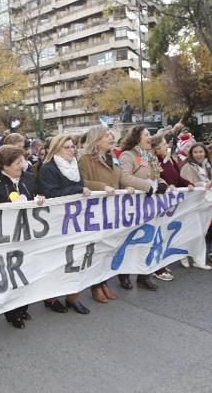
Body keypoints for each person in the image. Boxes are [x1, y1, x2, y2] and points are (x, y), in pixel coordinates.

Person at [0, 145, 45, 328]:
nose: (22, 165)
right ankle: (11, 312)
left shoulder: (30, 179)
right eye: (18, 162)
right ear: (5, 165)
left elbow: (39, 194)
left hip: (28, 235)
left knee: (27, 271)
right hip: (5, 239)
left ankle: (23, 306)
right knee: (11, 274)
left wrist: (40, 197)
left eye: (23, 161)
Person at [77, 126, 135, 303]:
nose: (111, 138)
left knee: (109, 247)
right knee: (97, 249)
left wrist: (126, 187)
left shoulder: (113, 156)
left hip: (113, 209)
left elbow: (117, 178)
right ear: (96, 140)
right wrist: (102, 187)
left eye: (111, 135)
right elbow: (82, 182)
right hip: (96, 210)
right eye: (106, 136)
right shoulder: (85, 158)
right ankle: (96, 286)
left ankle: (103, 282)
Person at [38, 135, 92, 314]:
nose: (71, 150)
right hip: (56, 224)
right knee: (57, 263)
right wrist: (77, 190)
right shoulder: (48, 169)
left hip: (75, 222)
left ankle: (73, 297)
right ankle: (51, 298)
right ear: (56, 149)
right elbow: (51, 195)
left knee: (75, 261)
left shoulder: (74, 166)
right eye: (66, 147)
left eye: (72, 147)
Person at [119, 125, 169, 290]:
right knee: (131, 241)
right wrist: (148, 187)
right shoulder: (128, 155)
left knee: (148, 240)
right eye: (147, 134)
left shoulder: (148, 155)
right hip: (133, 207)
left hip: (149, 206)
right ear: (137, 138)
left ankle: (143, 275)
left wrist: (162, 184)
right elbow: (125, 178)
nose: (151, 137)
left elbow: (156, 176)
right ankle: (124, 274)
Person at [150, 134, 195, 281]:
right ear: (156, 148)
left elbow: (177, 178)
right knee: (158, 234)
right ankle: (157, 268)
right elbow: (153, 179)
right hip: (159, 204)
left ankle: (161, 262)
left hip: (172, 205)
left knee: (166, 234)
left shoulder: (169, 160)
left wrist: (188, 183)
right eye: (164, 144)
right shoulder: (152, 161)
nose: (167, 146)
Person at [179, 142, 212, 271]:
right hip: (191, 204)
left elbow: (211, 181)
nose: (198, 154)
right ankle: (183, 254)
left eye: (201, 151)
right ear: (191, 154)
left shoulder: (208, 165)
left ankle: (196, 258)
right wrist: (204, 183)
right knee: (192, 231)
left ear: (205, 152)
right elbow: (186, 185)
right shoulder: (187, 167)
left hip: (204, 203)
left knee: (200, 232)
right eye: (195, 152)